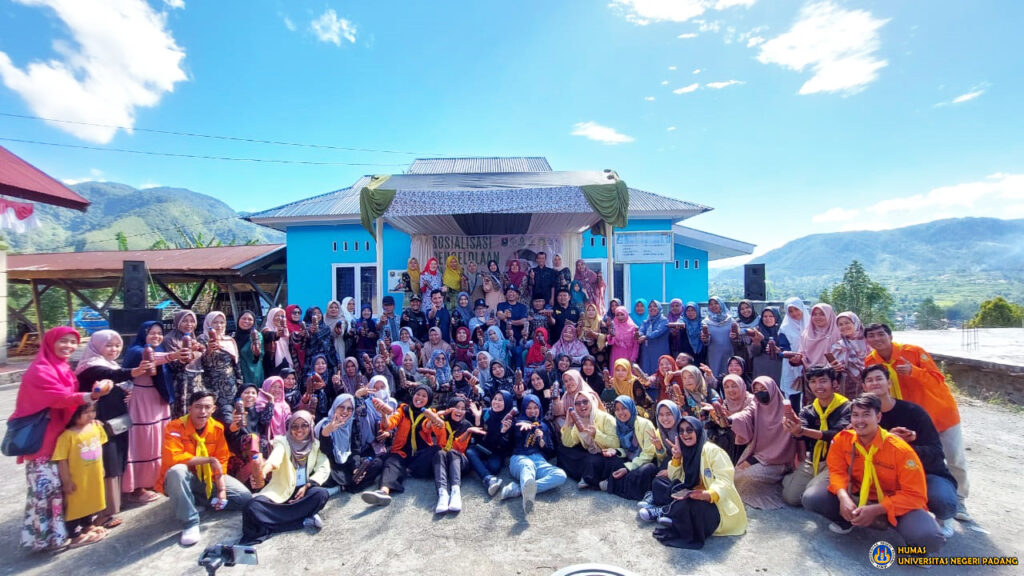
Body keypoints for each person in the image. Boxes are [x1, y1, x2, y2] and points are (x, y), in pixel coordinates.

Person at [13, 327, 114, 551]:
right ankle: (48, 539)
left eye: (72, 342)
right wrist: (91, 395)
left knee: (67, 488)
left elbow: (72, 404)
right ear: (50, 342)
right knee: (48, 490)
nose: (68, 346)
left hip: (62, 436)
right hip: (43, 441)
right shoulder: (40, 370)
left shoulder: (63, 367)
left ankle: (73, 531)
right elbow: (59, 398)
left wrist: (88, 418)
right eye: (63, 341)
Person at [802, 395, 945, 551]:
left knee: (929, 537)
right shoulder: (843, 440)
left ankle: (910, 538)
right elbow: (837, 471)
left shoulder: (901, 450)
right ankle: (846, 520)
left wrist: (878, 509)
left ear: (878, 417)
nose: (860, 420)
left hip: (893, 501)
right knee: (813, 497)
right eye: (855, 415)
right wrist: (843, 498)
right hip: (858, 494)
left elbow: (915, 495)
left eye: (866, 415)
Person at [863, 322, 970, 521]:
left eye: (880, 334)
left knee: (954, 458)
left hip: (939, 413)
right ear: (866, 341)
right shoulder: (871, 361)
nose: (876, 339)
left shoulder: (913, 352)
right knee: (915, 456)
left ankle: (959, 500)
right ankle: (917, 498)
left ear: (890, 336)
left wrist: (914, 371)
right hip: (912, 419)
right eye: (871, 336)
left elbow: (938, 379)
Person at [861, 364, 959, 538]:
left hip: (925, 471)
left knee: (942, 501)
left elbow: (936, 452)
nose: (875, 383)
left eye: (879, 379)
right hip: (886, 474)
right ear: (864, 387)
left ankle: (942, 517)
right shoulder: (863, 416)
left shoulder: (914, 412)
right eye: (870, 380)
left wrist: (901, 448)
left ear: (889, 383)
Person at [74, 329, 156, 529]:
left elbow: (115, 379)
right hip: (100, 423)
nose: (114, 349)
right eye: (108, 345)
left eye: (117, 345)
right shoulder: (91, 366)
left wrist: (123, 393)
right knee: (107, 464)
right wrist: (135, 371)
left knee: (117, 460)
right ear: (96, 346)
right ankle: (102, 513)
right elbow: (111, 376)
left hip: (116, 421)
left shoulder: (109, 363)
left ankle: (113, 506)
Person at [157, 390, 252, 547]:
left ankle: (193, 500)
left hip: (207, 477)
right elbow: (173, 457)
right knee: (177, 471)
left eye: (207, 407)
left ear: (213, 409)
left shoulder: (217, 428)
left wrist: (221, 490)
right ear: (190, 408)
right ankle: (190, 523)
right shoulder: (175, 426)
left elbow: (221, 459)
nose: (203, 411)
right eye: (198, 407)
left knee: (244, 498)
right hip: (183, 478)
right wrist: (208, 460)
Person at [642, 416, 747, 549]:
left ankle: (665, 512)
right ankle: (671, 512)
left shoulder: (713, 451)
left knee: (690, 503)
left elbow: (725, 480)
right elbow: (676, 477)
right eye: (681, 431)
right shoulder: (685, 449)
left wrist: (707, 494)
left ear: (697, 430)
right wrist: (676, 458)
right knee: (659, 483)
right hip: (691, 491)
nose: (685, 434)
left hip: (714, 501)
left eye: (689, 430)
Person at [241, 410, 330, 544]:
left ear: (310, 426)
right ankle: (301, 521)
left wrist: (308, 485)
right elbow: (274, 459)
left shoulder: (315, 444)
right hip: (280, 492)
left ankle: (274, 523)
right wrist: (263, 472)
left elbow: (323, 467)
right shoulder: (282, 442)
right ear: (289, 428)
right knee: (252, 507)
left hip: (302, 493)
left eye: (304, 425)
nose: (299, 430)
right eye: (295, 426)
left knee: (321, 494)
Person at [719, 376, 798, 509]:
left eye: (763, 389)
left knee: (748, 477)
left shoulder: (786, 411)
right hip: (758, 454)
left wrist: (754, 460)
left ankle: (779, 486)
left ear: (772, 390)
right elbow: (745, 414)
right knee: (735, 475)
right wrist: (730, 419)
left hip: (779, 460)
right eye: (756, 390)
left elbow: (786, 443)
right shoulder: (756, 405)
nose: (760, 393)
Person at [122, 321, 179, 505]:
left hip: (158, 398)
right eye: (152, 333)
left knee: (159, 439)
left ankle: (155, 480)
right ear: (143, 334)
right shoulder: (136, 351)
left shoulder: (159, 349)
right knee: (143, 441)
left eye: (159, 333)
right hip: (141, 400)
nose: (156, 336)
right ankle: (137, 487)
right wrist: (173, 355)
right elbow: (151, 358)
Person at [780, 365, 851, 507]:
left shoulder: (847, 407)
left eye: (823, 381)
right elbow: (801, 434)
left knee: (810, 496)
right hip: (813, 459)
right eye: (813, 382)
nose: (818, 386)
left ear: (834, 383)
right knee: (790, 498)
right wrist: (793, 428)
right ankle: (794, 479)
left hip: (838, 461)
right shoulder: (808, 410)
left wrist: (802, 431)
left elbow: (836, 435)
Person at [362, 385, 442, 506]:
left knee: (436, 450)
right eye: (418, 394)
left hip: (420, 456)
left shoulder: (431, 413)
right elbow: (389, 425)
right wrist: (383, 415)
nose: (419, 398)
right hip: (402, 452)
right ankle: (383, 492)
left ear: (429, 399)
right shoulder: (403, 410)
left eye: (424, 396)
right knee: (391, 460)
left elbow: (427, 427)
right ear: (413, 395)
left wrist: (432, 420)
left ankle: (408, 470)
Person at [53, 401, 108, 548]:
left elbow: (100, 448)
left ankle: (87, 525)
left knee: (90, 499)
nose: (90, 415)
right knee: (75, 504)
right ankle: (75, 534)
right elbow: (62, 460)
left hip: (93, 473)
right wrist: (66, 481)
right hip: (77, 477)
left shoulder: (96, 427)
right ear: (73, 414)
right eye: (85, 412)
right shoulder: (67, 436)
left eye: (92, 411)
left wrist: (102, 467)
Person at [499, 394, 567, 513]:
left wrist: (542, 441)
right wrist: (507, 430)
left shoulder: (543, 426)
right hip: (519, 459)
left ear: (540, 408)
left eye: (535, 407)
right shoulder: (516, 423)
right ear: (524, 408)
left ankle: (518, 489)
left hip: (538, 459)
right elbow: (505, 446)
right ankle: (527, 496)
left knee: (560, 475)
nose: (532, 411)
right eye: (528, 408)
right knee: (527, 465)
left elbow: (550, 451)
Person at [559, 386, 620, 488]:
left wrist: (596, 434)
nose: (581, 405)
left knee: (591, 461)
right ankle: (587, 475)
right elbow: (568, 443)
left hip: (606, 454)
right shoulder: (579, 420)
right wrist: (569, 424)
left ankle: (591, 479)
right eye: (577, 403)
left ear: (592, 402)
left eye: (585, 401)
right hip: (590, 453)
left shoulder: (606, 418)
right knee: (562, 449)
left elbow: (616, 443)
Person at [602, 396, 658, 501]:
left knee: (643, 471)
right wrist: (616, 451)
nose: (620, 412)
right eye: (617, 409)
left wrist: (628, 468)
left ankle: (614, 485)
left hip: (647, 461)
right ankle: (617, 485)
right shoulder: (620, 425)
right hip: (632, 458)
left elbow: (649, 454)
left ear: (631, 407)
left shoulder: (645, 424)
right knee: (612, 459)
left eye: (624, 408)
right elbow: (627, 450)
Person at [433, 397, 481, 513]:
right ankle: (443, 494)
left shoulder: (467, 425)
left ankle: (455, 492)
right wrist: (442, 413)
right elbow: (430, 422)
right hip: (444, 462)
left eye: (463, 409)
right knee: (439, 453)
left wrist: (469, 431)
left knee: (453, 452)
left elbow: (460, 448)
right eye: (456, 407)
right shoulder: (442, 423)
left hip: (460, 463)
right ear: (450, 408)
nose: (459, 411)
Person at [466, 390, 515, 496]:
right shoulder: (486, 412)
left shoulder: (509, 420)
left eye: (500, 400)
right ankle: (488, 479)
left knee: (494, 467)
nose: (496, 402)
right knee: (470, 452)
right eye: (495, 399)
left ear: (507, 403)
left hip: (496, 451)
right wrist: (478, 419)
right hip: (481, 447)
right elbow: (478, 438)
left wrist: (503, 432)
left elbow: (504, 446)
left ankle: (476, 465)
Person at [199, 311, 243, 425]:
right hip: (211, 384)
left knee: (229, 416)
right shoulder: (202, 340)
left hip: (230, 385)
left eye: (222, 322)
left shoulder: (229, 340)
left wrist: (239, 381)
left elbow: (236, 363)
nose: (219, 325)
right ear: (209, 323)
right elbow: (203, 362)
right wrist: (209, 350)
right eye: (215, 322)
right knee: (213, 416)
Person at [164, 310, 205, 419]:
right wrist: (191, 351)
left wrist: (203, 350)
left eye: (192, 321)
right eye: (185, 321)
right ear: (177, 322)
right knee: (184, 415)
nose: (189, 324)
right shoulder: (170, 339)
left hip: (196, 381)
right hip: (182, 383)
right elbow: (174, 365)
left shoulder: (193, 338)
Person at [712, 374, 754, 464]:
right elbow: (724, 425)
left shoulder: (751, 400)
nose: (730, 390)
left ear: (741, 386)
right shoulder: (726, 403)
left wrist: (732, 419)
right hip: (734, 444)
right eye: (726, 387)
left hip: (752, 443)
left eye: (734, 386)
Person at [777, 297, 809, 406]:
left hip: (811, 364)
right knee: (793, 396)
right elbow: (783, 348)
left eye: (796, 309)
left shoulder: (811, 324)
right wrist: (791, 356)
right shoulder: (785, 328)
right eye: (790, 311)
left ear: (802, 308)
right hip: (792, 365)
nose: (794, 313)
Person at [831, 311, 868, 398]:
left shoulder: (868, 342)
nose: (844, 326)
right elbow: (831, 369)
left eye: (847, 323)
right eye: (840, 324)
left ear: (856, 323)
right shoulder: (838, 346)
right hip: (846, 387)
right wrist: (834, 368)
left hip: (869, 383)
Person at [701, 296, 735, 381]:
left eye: (716, 303)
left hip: (728, 352)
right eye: (711, 304)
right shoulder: (705, 322)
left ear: (721, 304)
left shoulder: (731, 320)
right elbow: (706, 341)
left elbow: (736, 337)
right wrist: (705, 339)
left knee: (729, 375)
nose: (713, 306)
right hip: (713, 354)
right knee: (714, 376)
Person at [748, 307, 782, 383]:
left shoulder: (782, 331)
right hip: (761, 365)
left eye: (771, 316)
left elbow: (788, 350)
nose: (768, 319)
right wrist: (756, 342)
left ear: (776, 317)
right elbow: (753, 353)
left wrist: (778, 350)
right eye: (765, 316)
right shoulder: (757, 330)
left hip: (778, 365)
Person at [638, 300, 670, 377]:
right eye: (650, 307)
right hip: (647, 349)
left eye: (655, 306)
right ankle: (648, 383)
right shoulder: (646, 321)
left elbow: (658, 331)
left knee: (658, 366)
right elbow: (641, 330)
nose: (652, 308)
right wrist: (639, 334)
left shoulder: (664, 320)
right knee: (646, 367)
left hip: (659, 348)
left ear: (659, 308)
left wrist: (646, 336)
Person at [260, 307, 294, 378]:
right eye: (277, 316)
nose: (279, 318)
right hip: (272, 362)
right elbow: (269, 335)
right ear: (271, 317)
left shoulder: (286, 330)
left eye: (282, 316)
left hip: (286, 358)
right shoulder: (266, 329)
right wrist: (277, 334)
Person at [233, 311, 265, 386]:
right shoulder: (232, 336)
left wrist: (256, 351)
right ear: (238, 320)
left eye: (250, 319)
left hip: (252, 373)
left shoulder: (256, 336)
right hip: (236, 374)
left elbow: (260, 354)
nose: (246, 321)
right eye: (244, 318)